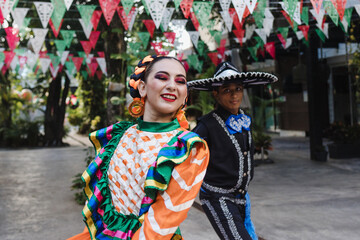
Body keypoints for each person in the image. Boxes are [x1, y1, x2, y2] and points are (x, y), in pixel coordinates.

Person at [68, 55, 209, 240]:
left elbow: (163, 221)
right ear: (142, 87)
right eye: (162, 77)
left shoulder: (188, 146)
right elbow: (102, 210)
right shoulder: (119, 135)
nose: (173, 86)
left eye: (180, 81)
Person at [188, 62, 278, 240]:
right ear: (216, 93)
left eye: (238, 89)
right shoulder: (207, 124)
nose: (234, 94)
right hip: (216, 197)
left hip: (242, 197)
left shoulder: (245, 120)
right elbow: (185, 150)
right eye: (227, 90)